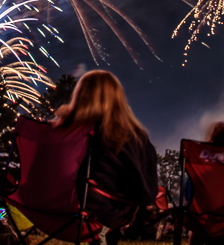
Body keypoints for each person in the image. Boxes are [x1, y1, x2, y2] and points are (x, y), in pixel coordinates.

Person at [53, 70, 158, 237]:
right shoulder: (128, 137)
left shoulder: (57, 131)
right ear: (118, 100)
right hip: (95, 214)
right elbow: (145, 194)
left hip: (47, 208)